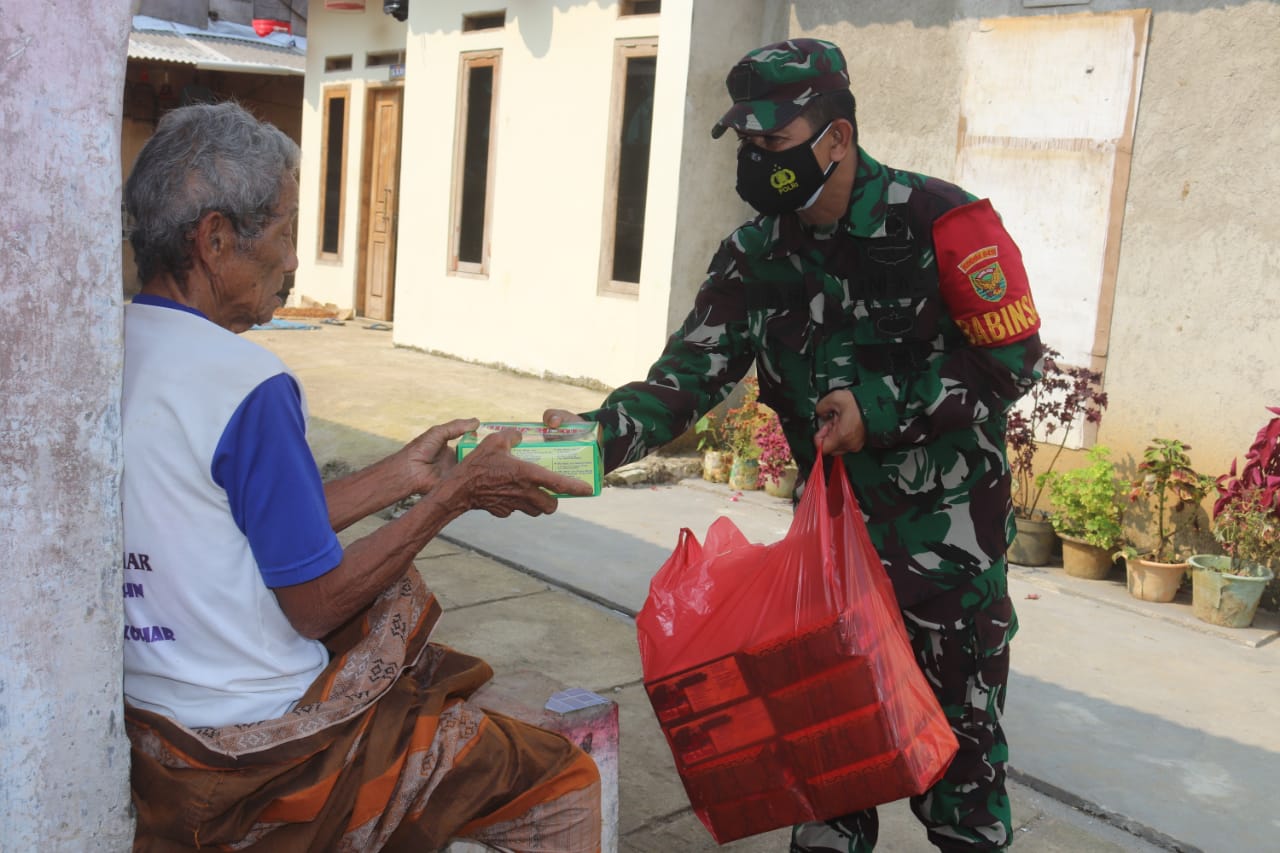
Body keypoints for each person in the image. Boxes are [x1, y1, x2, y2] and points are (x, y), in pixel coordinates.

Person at [545, 39, 1044, 852]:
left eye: (773, 142)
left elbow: (1011, 361)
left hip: (943, 558)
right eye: (747, 143)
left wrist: (876, 410)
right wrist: (590, 443)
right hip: (830, 563)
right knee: (829, 773)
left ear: (836, 138)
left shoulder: (943, 224)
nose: (757, 160)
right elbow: (687, 377)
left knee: (964, 788)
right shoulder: (756, 255)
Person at [121, 102, 601, 852]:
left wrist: (401, 476)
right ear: (214, 240)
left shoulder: (119, 342)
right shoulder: (245, 381)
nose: (292, 262)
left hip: (155, 724)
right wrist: (451, 498)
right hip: (256, 750)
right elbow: (313, 606)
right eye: (282, 233)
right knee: (563, 780)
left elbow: (231, 524)